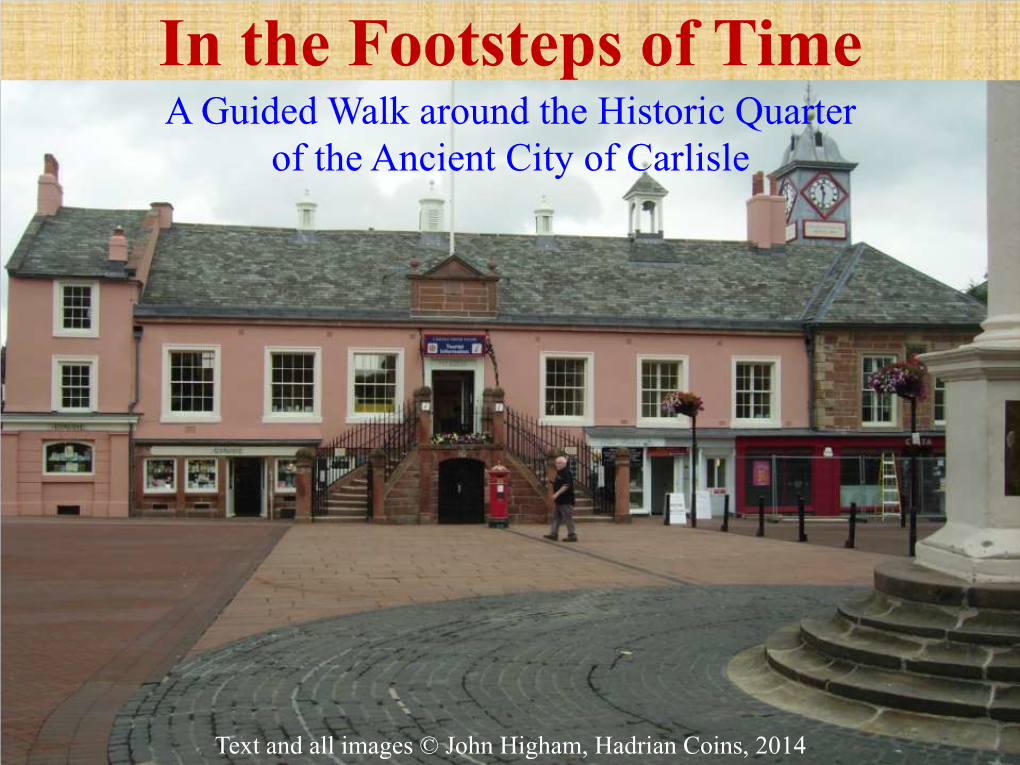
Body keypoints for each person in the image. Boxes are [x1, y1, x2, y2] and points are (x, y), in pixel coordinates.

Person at [543, 455, 577, 542]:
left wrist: (556, 494)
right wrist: (551, 483)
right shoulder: (560, 472)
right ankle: (553, 534)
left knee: (568, 518)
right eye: (556, 463)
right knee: (556, 517)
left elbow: (566, 485)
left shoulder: (567, 472)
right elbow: (559, 483)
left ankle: (572, 535)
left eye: (559, 463)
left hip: (566, 500)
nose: (557, 464)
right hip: (559, 501)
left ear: (564, 463)